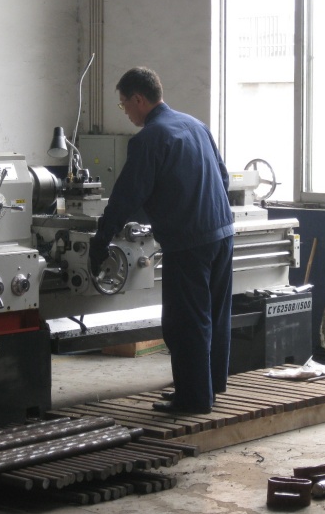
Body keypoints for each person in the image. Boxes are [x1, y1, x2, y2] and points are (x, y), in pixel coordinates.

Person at [89, 67, 234, 414]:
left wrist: (101, 239)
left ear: (139, 99)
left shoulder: (149, 139)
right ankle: (210, 387)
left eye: (124, 104)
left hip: (189, 242)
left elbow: (126, 196)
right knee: (214, 316)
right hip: (222, 232)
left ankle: (193, 399)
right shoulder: (196, 126)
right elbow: (224, 178)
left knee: (185, 323)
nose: (125, 112)